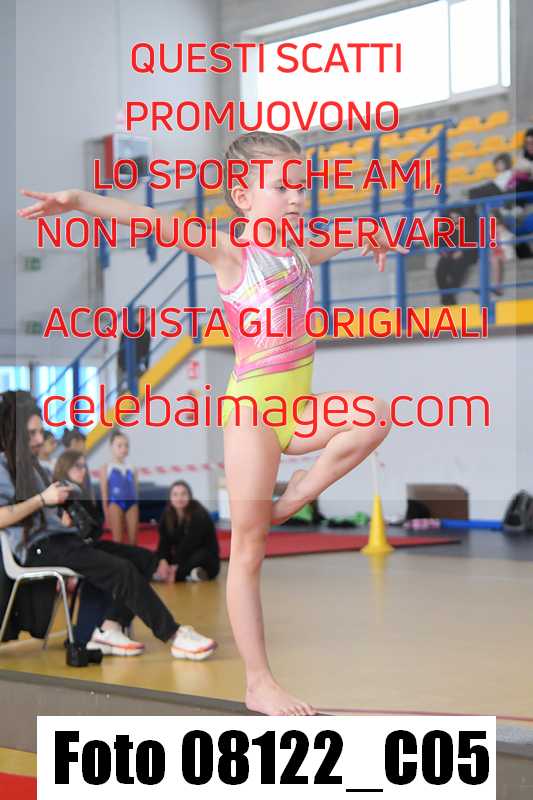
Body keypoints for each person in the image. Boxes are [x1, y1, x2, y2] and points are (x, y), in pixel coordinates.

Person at [18, 130, 406, 715]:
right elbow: (151, 220)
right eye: (282, 187)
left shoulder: (299, 248)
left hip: (297, 408)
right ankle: (259, 682)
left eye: (300, 186)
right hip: (253, 414)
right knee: (250, 549)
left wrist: (370, 234)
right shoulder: (231, 252)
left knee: (373, 416)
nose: (296, 196)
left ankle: (295, 494)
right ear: (243, 196)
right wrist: (78, 201)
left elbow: (337, 240)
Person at [0, 391, 217, 660]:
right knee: (121, 570)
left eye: (40, 433)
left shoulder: (34, 466)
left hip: (65, 539)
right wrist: (43, 499)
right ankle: (174, 635)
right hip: (40, 547)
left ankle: (109, 628)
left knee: (144, 560)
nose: (38, 440)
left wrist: (60, 509)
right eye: (31, 434)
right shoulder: (3, 466)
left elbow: (44, 508)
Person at [154, 481, 220, 583]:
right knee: (156, 557)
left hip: (203, 557)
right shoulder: (167, 515)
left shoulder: (199, 514)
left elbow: (189, 544)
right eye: (175, 494)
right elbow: (164, 543)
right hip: (182, 558)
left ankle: (182, 574)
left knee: (200, 556)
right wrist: (163, 561)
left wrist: (174, 567)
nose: (179, 498)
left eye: (183, 494)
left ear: (190, 496)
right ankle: (190, 574)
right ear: (170, 498)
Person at [99, 430, 139, 545]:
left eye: (126, 445)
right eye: (119, 446)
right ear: (112, 447)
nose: (123, 449)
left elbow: (135, 491)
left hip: (132, 504)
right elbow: (104, 493)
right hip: (115, 503)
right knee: (118, 540)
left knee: (133, 540)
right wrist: (106, 512)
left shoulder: (132, 468)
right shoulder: (106, 468)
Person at [435, 206, 479, 305]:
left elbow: (473, 241)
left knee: (457, 268)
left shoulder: (469, 225)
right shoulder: (446, 226)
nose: (455, 219)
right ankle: (446, 296)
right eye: (453, 217)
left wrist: (462, 251)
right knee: (440, 269)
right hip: (450, 253)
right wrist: (442, 251)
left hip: (467, 254)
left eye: (457, 217)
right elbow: (439, 243)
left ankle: (448, 297)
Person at [117, 305, 151, 391]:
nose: (146, 318)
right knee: (124, 391)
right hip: (125, 367)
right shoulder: (128, 331)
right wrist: (124, 369)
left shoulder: (146, 333)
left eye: (146, 315)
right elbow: (121, 352)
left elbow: (146, 353)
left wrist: (146, 368)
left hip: (136, 367)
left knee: (139, 390)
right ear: (136, 316)